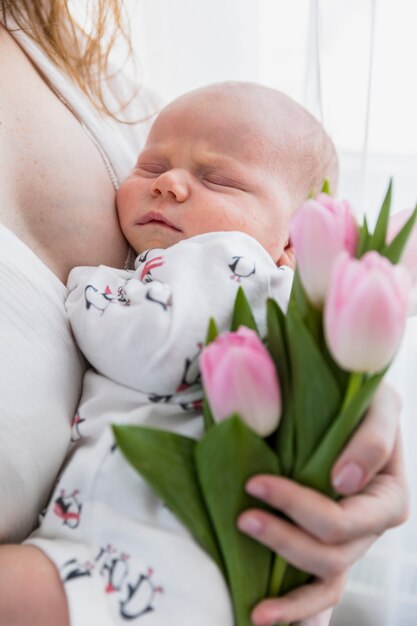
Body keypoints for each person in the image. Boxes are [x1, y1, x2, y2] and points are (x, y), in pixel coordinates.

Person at [0, 3, 409, 626]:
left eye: (220, 181)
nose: (171, 185)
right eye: (152, 168)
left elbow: (153, 344)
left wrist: (342, 407)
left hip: (146, 549)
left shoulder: (228, 260)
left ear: (292, 243)